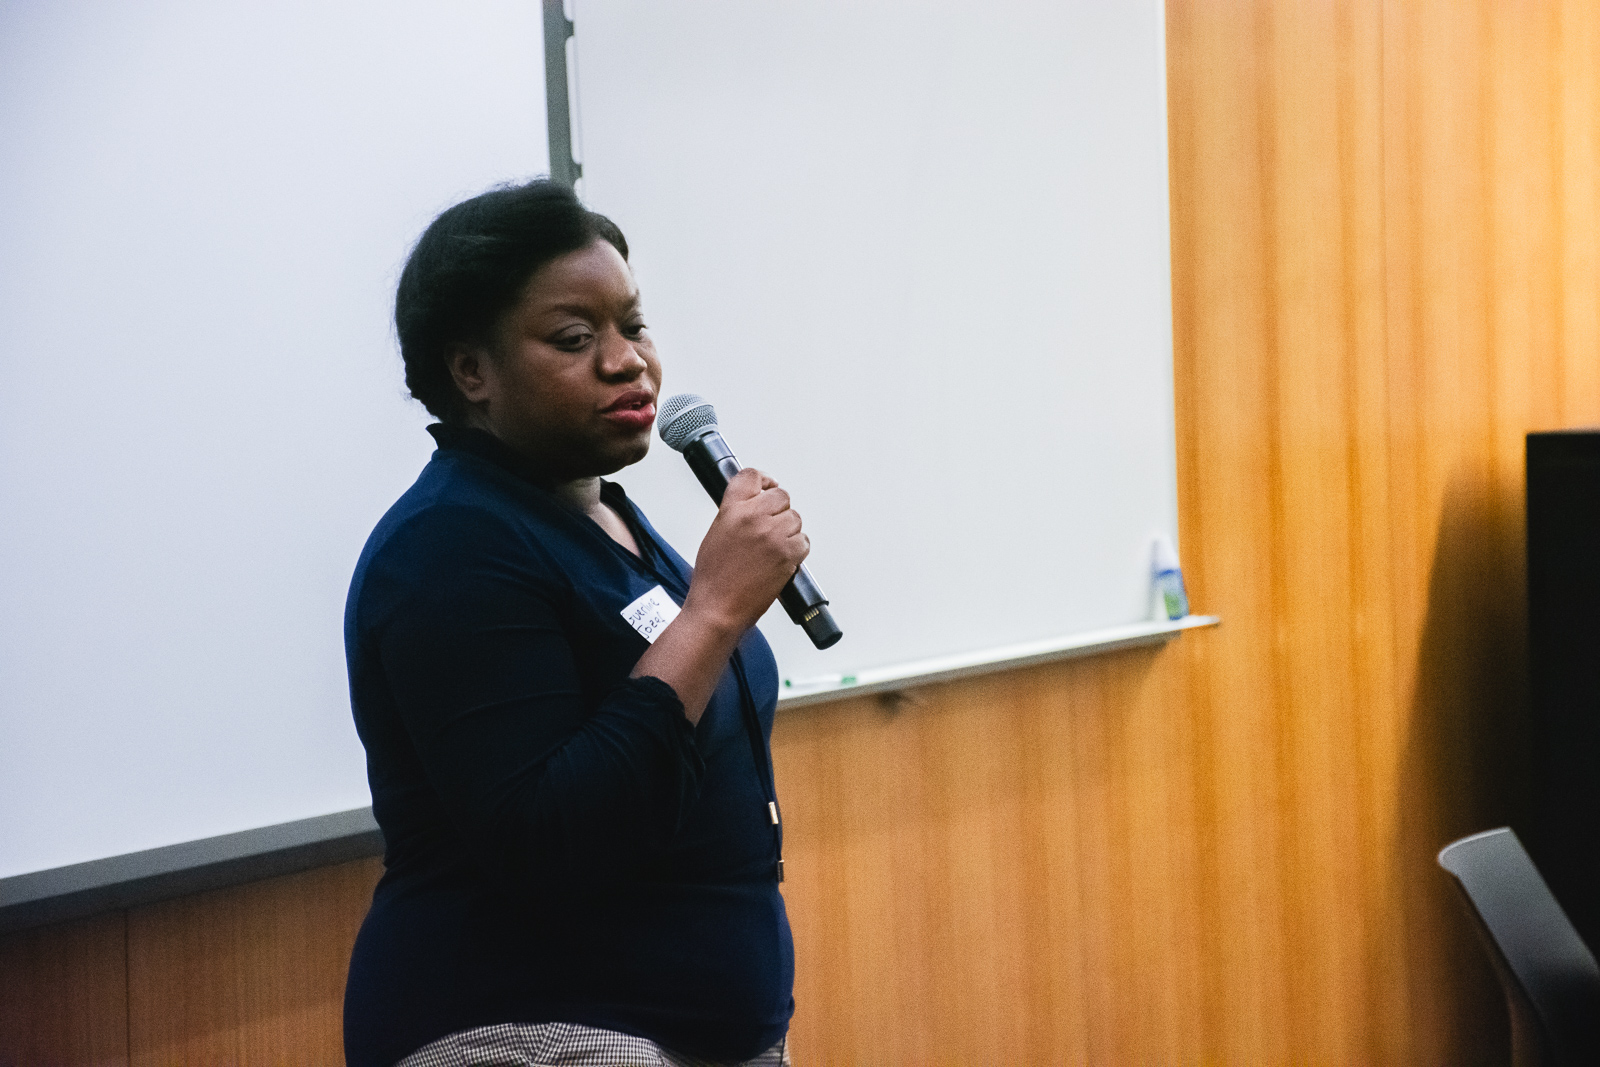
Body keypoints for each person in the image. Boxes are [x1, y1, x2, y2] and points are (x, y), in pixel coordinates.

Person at [342, 179, 806, 1067]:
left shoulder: (607, 517)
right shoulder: (450, 544)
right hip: (527, 1033)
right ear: (470, 370)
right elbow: (549, 833)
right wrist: (712, 610)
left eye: (632, 324)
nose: (626, 360)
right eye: (574, 337)